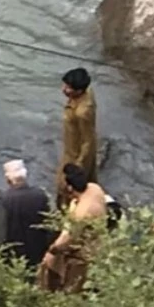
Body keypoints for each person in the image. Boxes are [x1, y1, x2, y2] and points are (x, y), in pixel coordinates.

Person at [39, 164, 108, 293]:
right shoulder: (95, 188)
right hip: (99, 242)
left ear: (70, 187)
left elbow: (67, 239)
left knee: (70, 284)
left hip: (84, 253)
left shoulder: (81, 213)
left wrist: (52, 251)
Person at [0, 159, 52, 270]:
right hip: (38, 251)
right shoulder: (40, 195)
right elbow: (49, 224)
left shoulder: (5, 199)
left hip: (14, 255)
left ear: (8, 179)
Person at [55, 68, 97, 209]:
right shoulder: (86, 91)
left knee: (64, 186)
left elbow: (87, 141)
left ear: (79, 91)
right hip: (70, 143)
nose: (64, 89)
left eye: (68, 88)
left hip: (74, 153)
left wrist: (79, 166)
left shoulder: (82, 113)